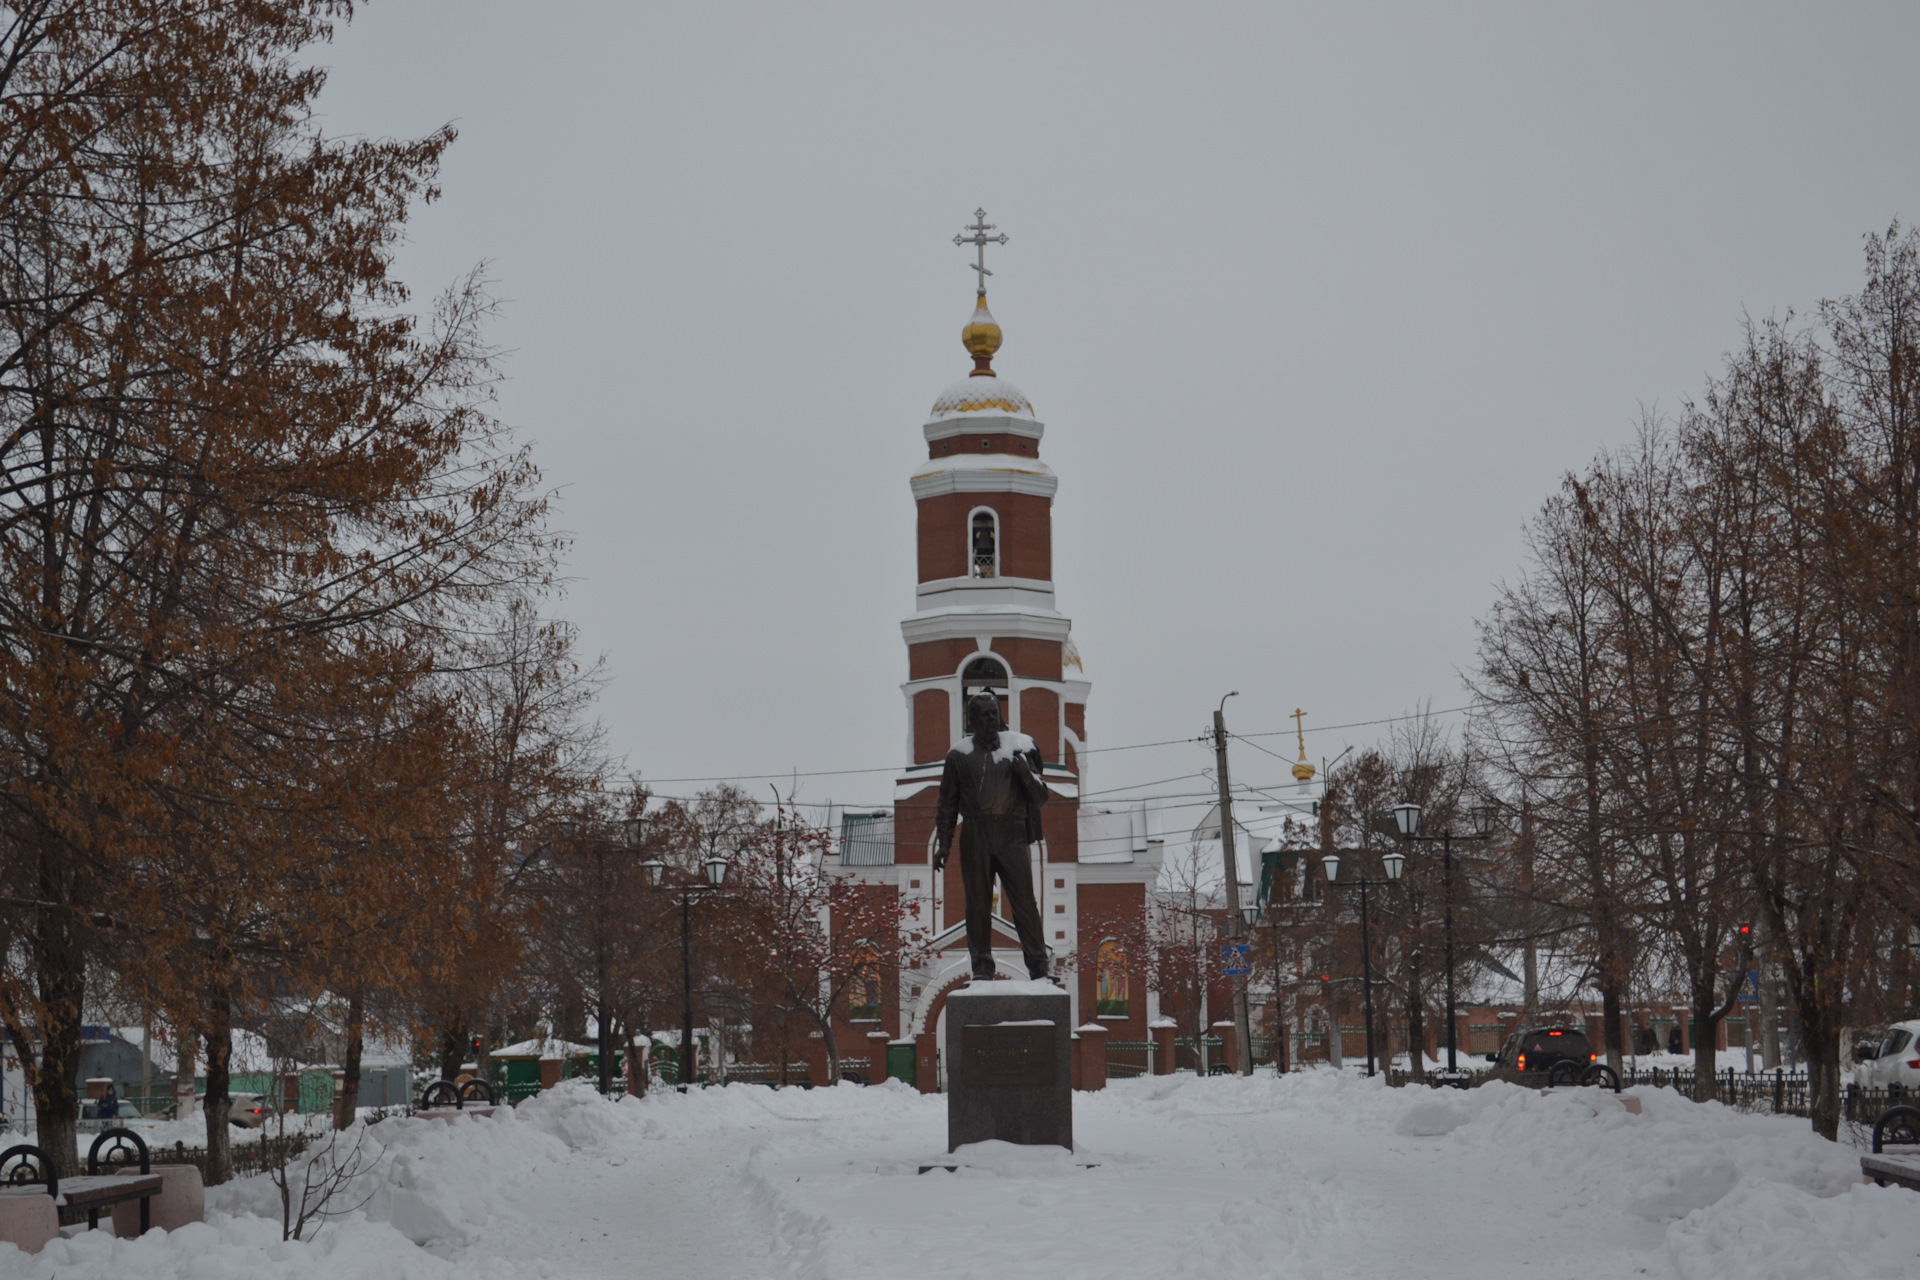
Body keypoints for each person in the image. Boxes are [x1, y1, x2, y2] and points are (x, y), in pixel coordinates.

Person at [934, 690, 1051, 982]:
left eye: (994, 713)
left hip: (1012, 833)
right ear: (971, 720)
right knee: (978, 904)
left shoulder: (1021, 748)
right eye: (984, 715)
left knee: (1024, 902)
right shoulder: (958, 755)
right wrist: (944, 844)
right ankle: (982, 968)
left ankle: (1039, 969)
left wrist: (1024, 771)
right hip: (975, 834)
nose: (992, 719)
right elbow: (947, 804)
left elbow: (1040, 798)